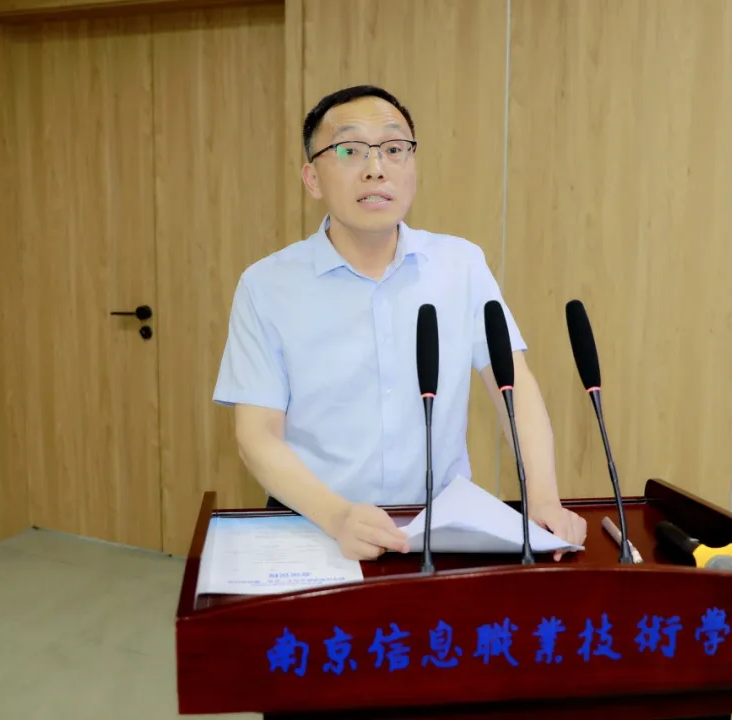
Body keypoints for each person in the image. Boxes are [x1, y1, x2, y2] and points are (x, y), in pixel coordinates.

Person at [213, 85, 587, 561]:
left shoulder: (460, 265)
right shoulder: (266, 285)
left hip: (442, 527)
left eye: (394, 149)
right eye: (349, 150)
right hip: (316, 526)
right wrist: (337, 516)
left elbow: (513, 387)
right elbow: (257, 435)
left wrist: (544, 496)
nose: (376, 167)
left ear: (412, 168)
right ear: (312, 179)